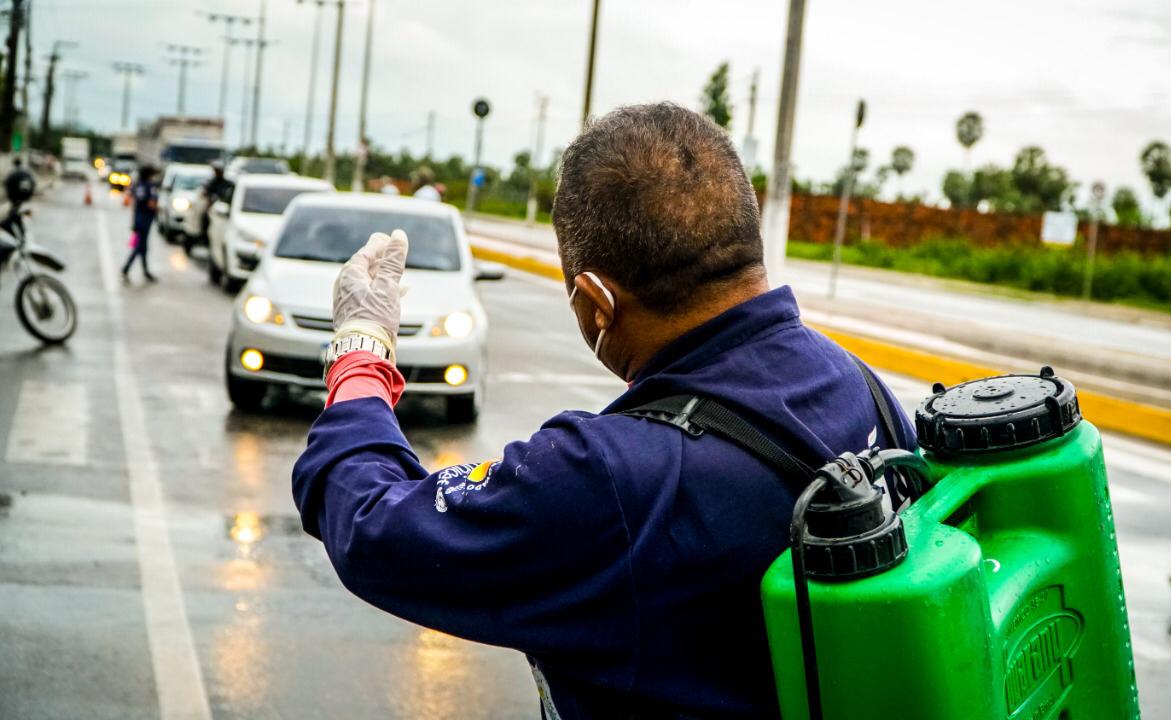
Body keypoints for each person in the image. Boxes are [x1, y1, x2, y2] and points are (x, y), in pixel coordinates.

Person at [292, 103, 916, 719]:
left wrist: (361, 351)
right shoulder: (862, 385)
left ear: (596, 302)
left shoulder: (612, 478)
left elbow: (372, 524)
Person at [121, 165, 159, 282]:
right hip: (146, 220)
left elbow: (132, 200)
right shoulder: (150, 186)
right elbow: (151, 204)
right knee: (140, 247)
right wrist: (157, 209)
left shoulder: (138, 185)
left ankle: (145, 271)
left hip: (138, 219)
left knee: (143, 246)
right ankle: (126, 268)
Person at [199, 161, 232, 244]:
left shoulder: (228, 183)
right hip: (212, 207)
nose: (217, 172)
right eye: (216, 170)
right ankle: (204, 237)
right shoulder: (212, 182)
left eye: (218, 170)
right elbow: (206, 192)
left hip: (224, 208)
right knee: (204, 217)